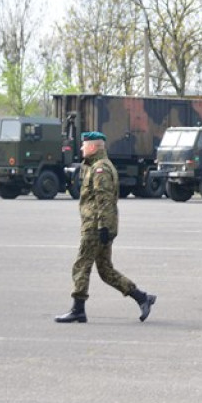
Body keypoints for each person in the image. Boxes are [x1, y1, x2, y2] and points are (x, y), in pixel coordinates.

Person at [55, 132, 156, 323]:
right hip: (99, 224)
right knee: (105, 270)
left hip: (95, 225)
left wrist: (102, 227)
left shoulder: (100, 169)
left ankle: (78, 309)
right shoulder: (95, 166)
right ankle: (143, 298)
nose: (82, 148)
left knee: (81, 265)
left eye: (85, 145)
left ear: (93, 147)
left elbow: (105, 200)